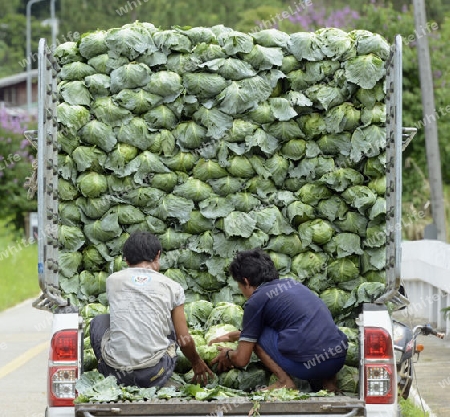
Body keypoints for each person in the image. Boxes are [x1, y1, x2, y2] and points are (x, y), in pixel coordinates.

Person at [210, 248, 348, 392]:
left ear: (246, 281)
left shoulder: (256, 300)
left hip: (308, 368)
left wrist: (227, 354)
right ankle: (329, 385)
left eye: (240, 287)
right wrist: (233, 335)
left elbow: (241, 359)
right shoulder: (292, 284)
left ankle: (284, 382)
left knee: (256, 335)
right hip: (337, 360)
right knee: (315, 329)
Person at [90, 231, 213, 388]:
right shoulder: (172, 287)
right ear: (158, 255)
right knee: (174, 330)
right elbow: (184, 340)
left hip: (117, 375)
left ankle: (107, 372)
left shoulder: (112, 281)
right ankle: (161, 380)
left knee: (99, 321)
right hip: (154, 374)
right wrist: (197, 362)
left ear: (126, 260)